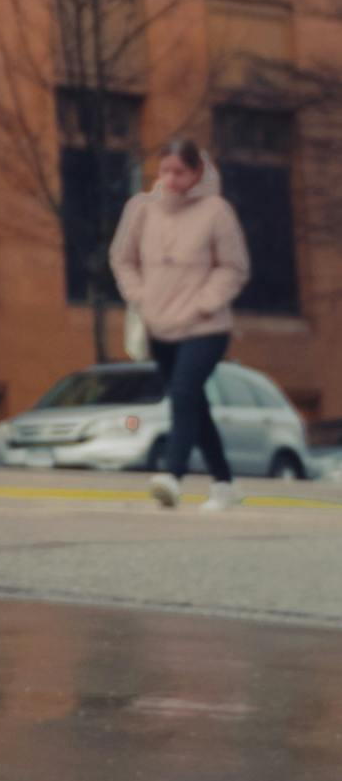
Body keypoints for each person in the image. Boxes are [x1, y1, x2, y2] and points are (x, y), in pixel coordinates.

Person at [110, 136, 252, 512]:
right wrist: (140, 296)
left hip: (205, 327)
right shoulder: (141, 209)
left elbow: (234, 267)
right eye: (165, 170)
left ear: (196, 173)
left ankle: (171, 475)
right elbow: (122, 260)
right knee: (195, 404)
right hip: (159, 326)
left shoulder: (216, 211)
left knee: (185, 393)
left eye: (180, 172)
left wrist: (204, 303)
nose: (171, 179)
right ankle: (225, 483)